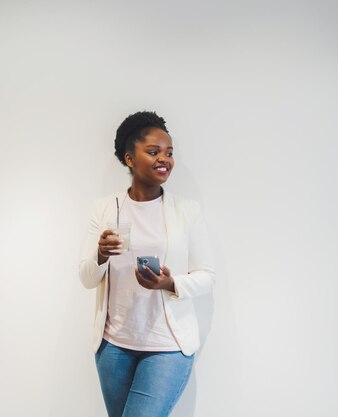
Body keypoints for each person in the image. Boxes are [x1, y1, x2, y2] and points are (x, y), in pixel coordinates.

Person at [79, 111, 215, 417]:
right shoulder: (104, 208)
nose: (163, 160)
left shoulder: (186, 212)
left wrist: (170, 283)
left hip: (166, 345)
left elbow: (208, 275)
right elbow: (86, 278)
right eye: (152, 152)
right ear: (129, 159)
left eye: (168, 153)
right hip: (113, 347)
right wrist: (100, 256)